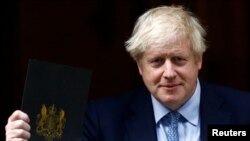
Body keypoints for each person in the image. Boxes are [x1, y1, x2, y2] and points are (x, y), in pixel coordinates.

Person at [5, 5, 250, 141]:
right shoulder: (102, 120)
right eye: (156, 61)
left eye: (178, 59)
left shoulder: (244, 112)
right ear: (139, 68)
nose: (169, 73)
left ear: (198, 60)